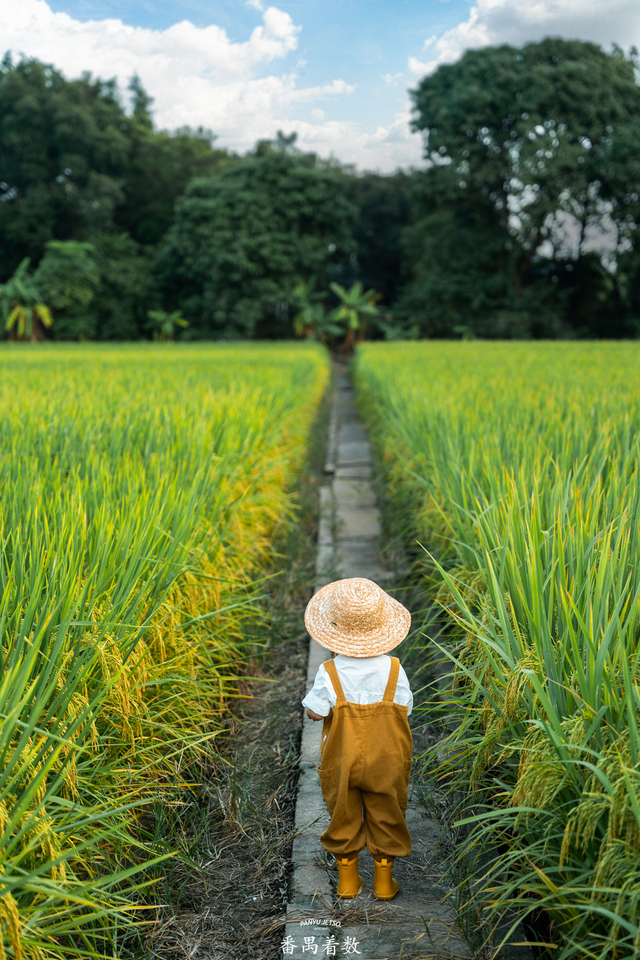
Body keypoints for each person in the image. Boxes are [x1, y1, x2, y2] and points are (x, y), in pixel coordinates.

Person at [302, 576, 413, 901]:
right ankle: (383, 882)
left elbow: (315, 712)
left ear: (336, 633)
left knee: (344, 813)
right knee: (387, 811)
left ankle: (348, 882)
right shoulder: (394, 669)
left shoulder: (330, 671)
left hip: (342, 759)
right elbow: (405, 707)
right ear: (383, 630)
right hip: (387, 757)